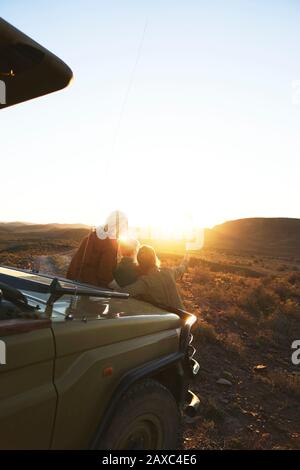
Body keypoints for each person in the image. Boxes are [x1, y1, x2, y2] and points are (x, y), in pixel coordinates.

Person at [66, 211, 128, 288]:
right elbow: (105, 276)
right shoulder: (110, 244)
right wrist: (122, 290)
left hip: (75, 283)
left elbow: (75, 262)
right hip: (93, 289)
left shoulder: (90, 237)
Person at [116, 245, 189, 310]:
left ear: (139, 262)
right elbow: (181, 269)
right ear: (154, 258)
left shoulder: (145, 282)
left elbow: (122, 293)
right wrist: (185, 260)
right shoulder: (169, 272)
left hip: (168, 321)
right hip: (183, 316)